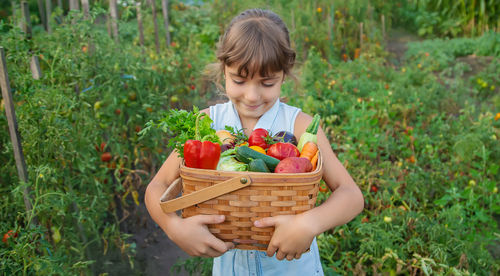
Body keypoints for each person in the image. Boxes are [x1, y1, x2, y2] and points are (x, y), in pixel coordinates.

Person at [145, 8, 364, 276]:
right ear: (223, 70)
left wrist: (308, 224)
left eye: (267, 83)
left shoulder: (300, 126)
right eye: (239, 80)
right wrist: (174, 227)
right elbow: (157, 186)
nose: (252, 95)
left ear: (285, 74)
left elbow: (351, 195)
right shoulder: (205, 125)